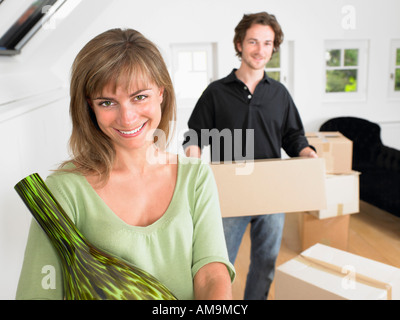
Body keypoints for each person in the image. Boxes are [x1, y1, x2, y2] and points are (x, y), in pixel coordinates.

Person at [16, 28, 235, 300]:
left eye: (139, 96)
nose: (127, 117)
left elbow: (211, 271)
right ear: (89, 108)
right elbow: (38, 293)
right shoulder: (63, 190)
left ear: (161, 93)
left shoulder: (195, 175)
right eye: (107, 102)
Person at [183, 12, 317, 300]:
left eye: (267, 43)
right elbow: (195, 134)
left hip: (272, 194)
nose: (260, 50)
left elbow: (293, 136)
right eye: (254, 42)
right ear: (240, 44)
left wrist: (308, 154)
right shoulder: (216, 92)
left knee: (266, 264)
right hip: (229, 194)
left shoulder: (279, 93)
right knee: (219, 265)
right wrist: (194, 163)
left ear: (274, 48)